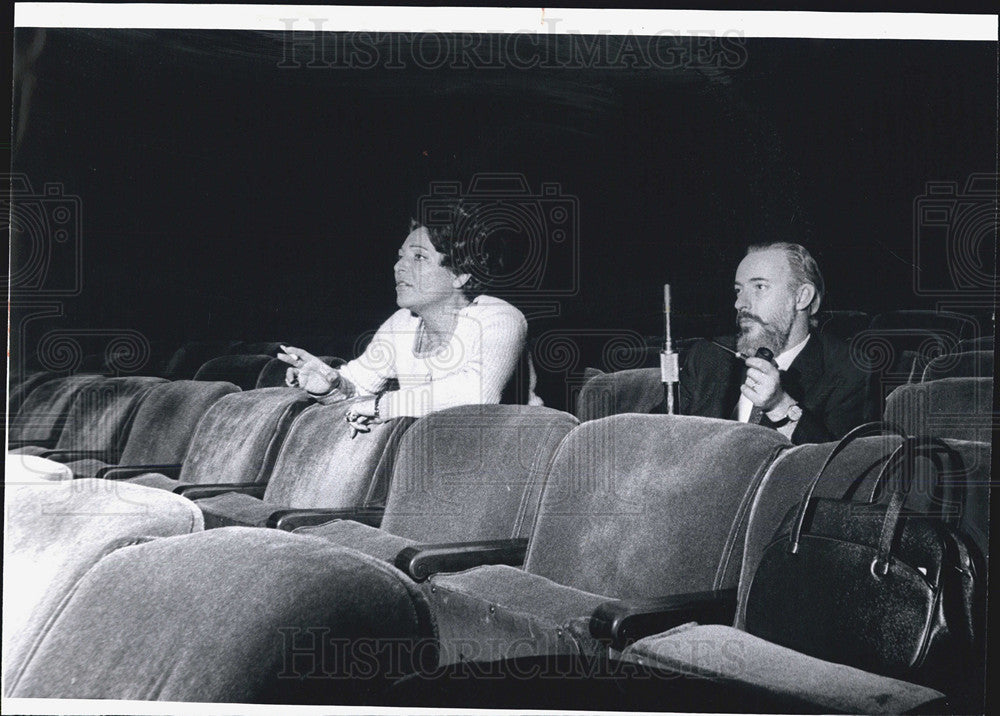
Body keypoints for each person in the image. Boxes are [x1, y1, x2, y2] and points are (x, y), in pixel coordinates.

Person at [278, 202, 540, 432]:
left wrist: (384, 405)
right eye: (401, 256)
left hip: (513, 454)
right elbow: (358, 387)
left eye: (419, 257)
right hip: (438, 450)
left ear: (460, 274)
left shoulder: (500, 318)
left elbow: (478, 393)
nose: (398, 266)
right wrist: (330, 384)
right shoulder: (402, 323)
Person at [678, 242, 867, 444]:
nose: (739, 304)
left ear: (801, 297)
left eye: (760, 287)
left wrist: (779, 405)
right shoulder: (708, 357)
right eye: (738, 290)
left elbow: (841, 466)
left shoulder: (850, 371)